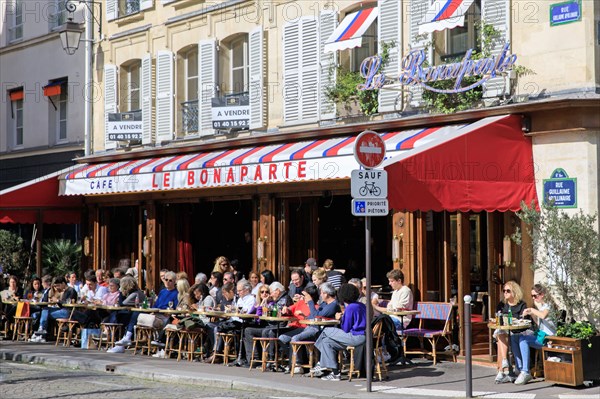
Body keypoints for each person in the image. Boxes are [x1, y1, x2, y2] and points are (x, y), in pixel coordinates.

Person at [312, 283, 366, 381]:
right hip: (362, 336)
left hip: (355, 336)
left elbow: (345, 328)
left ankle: (321, 363)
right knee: (326, 342)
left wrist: (340, 318)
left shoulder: (350, 307)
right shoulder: (361, 305)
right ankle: (335, 374)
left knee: (326, 330)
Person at [511, 284, 556, 385]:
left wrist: (532, 310)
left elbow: (543, 316)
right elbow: (539, 323)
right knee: (514, 337)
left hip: (549, 338)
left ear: (542, 294)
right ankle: (520, 368)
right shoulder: (543, 306)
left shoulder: (549, 305)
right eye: (532, 296)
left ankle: (525, 371)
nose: (534, 298)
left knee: (523, 339)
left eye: (535, 296)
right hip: (541, 335)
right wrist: (532, 314)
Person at [494, 280, 527, 384]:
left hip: (518, 331)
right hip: (504, 331)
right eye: (504, 291)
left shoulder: (521, 305)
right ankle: (504, 363)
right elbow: (498, 318)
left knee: (500, 340)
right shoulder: (502, 305)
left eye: (508, 291)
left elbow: (523, 319)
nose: (505, 293)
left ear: (514, 292)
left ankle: (501, 370)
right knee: (501, 333)